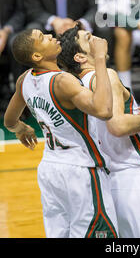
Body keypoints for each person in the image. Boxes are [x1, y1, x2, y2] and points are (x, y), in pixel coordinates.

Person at [4, 28, 118, 238]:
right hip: (80, 169)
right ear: (37, 56)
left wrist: (21, 128)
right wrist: (100, 58)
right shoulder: (63, 82)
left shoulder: (24, 80)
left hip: (50, 169)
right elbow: (104, 110)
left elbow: (9, 121)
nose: (50, 36)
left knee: (60, 233)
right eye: (43, 38)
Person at [57, 24, 140, 238]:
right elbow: (118, 126)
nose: (98, 39)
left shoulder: (71, 86)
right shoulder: (106, 76)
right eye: (89, 38)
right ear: (80, 57)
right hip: (130, 177)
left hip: (99, 182)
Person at [0, 0, 25, 112]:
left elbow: (23, 9)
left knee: (16, 42)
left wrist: (6, 30)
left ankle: (21, 105)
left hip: (11, 27)